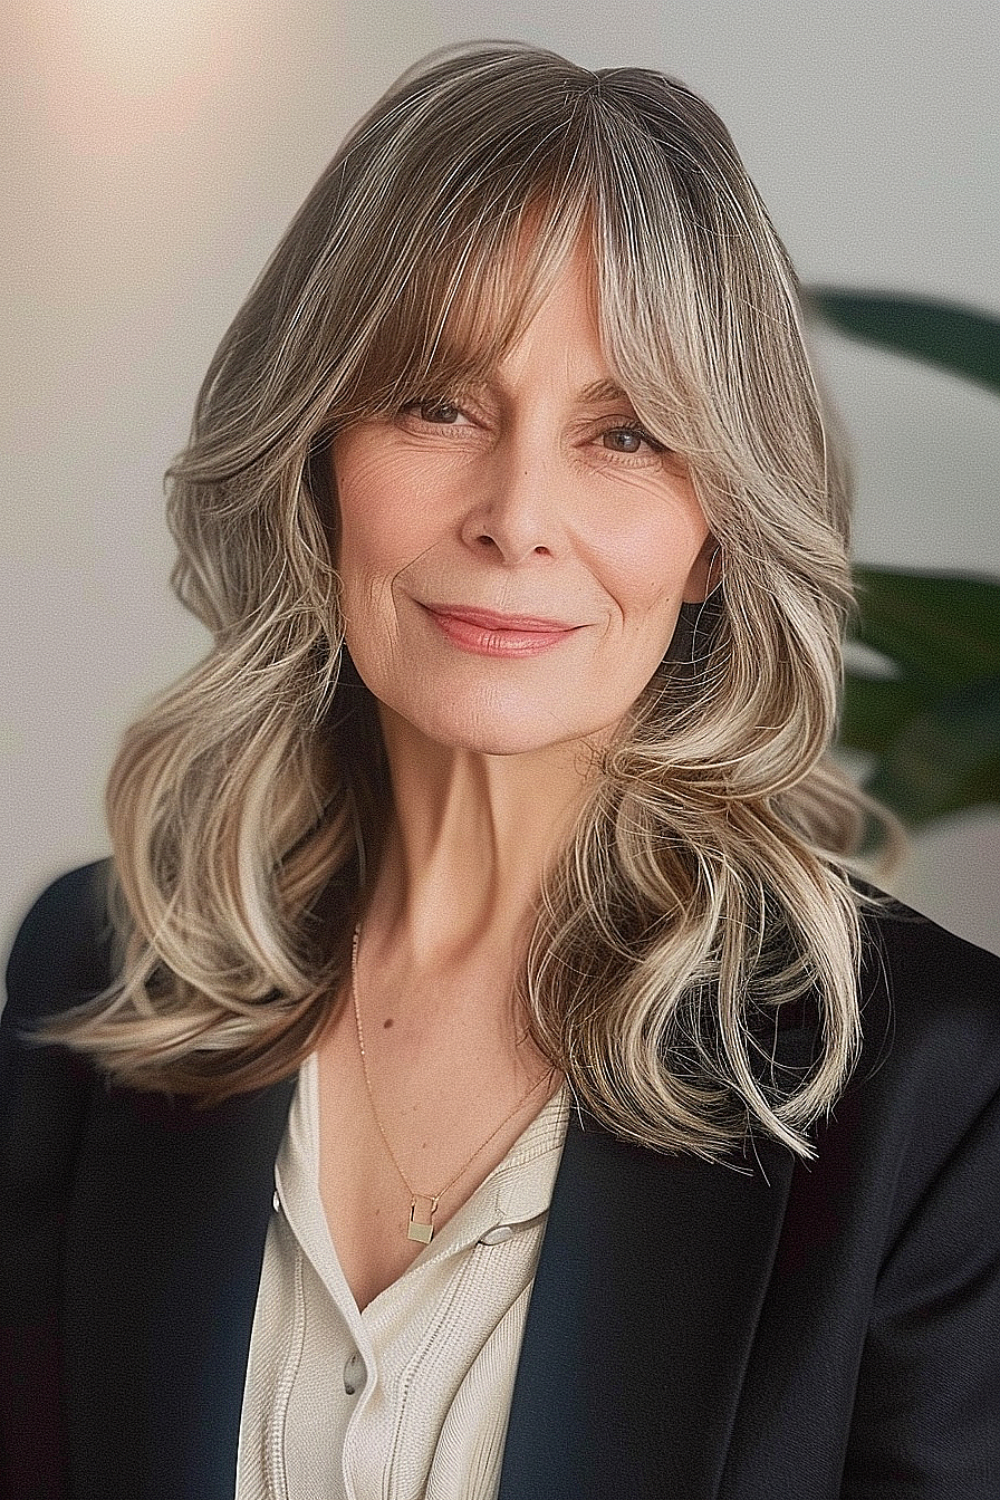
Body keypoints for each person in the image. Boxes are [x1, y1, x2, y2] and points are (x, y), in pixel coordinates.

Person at [2, 39, 998, 1500]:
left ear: (717, 531)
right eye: (439, 405)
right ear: (316, 453)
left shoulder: (931, 1080)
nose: (517, 516)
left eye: (626, 434)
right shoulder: (97, 967)